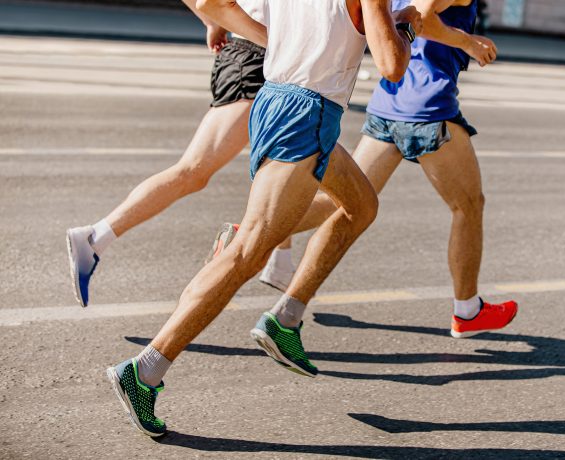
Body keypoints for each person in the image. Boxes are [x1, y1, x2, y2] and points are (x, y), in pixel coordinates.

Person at [104, 0, 422, 438]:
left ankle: (285, 318)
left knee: (361, 205)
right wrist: (405, 26)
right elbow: (390, 65)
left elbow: (212, 4)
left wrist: (250, 33)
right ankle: (143, 371)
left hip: (276, 100)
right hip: (308, 114)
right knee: (244, 257)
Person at [244, 0, 518, 339]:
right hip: (427, 109)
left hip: (389, 104)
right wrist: (467, 41)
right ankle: (467, 310)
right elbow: (424, 15)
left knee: (343, 204)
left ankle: (251, 245)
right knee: (469, 205)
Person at [65, 0, 270, 308]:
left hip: (253, 59)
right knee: (194, 171)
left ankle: (282, 273)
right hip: (255, 60)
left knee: (282, 165)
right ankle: (95, 237)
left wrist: (213, 21)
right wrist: (217, 19)